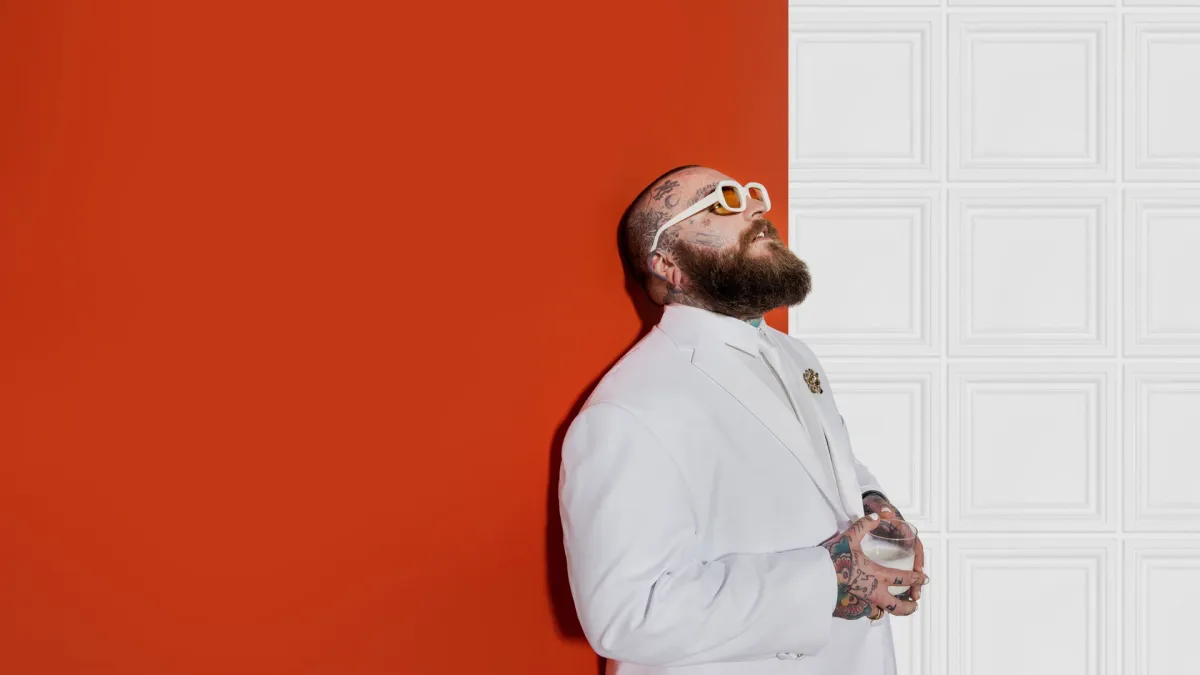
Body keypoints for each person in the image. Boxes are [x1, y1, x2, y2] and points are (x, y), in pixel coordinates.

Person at [558, 165, 929, 674]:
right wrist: (829, 580)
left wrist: (875, 508)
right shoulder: (626, 409)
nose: (756, 207)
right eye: (722, 202)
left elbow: (826, 466)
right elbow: (627, 615)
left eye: (751, 193)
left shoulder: (793, 354)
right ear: (669, 264)